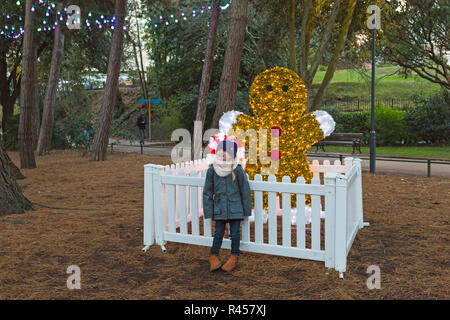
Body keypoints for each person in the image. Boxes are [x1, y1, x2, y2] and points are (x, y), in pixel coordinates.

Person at [203, 138, 252, 272]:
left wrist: (246, 210)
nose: (222, 153)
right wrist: (209, 211)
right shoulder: (213, 170)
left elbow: (245, 191)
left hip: (235, 208)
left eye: (225, 151)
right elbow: (207, 192)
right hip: (219, 208)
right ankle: (213, 256)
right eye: (220, 150)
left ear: (232, 153)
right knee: (218, 233)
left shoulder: (237, 170)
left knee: (234, 233)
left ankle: (234, 257)